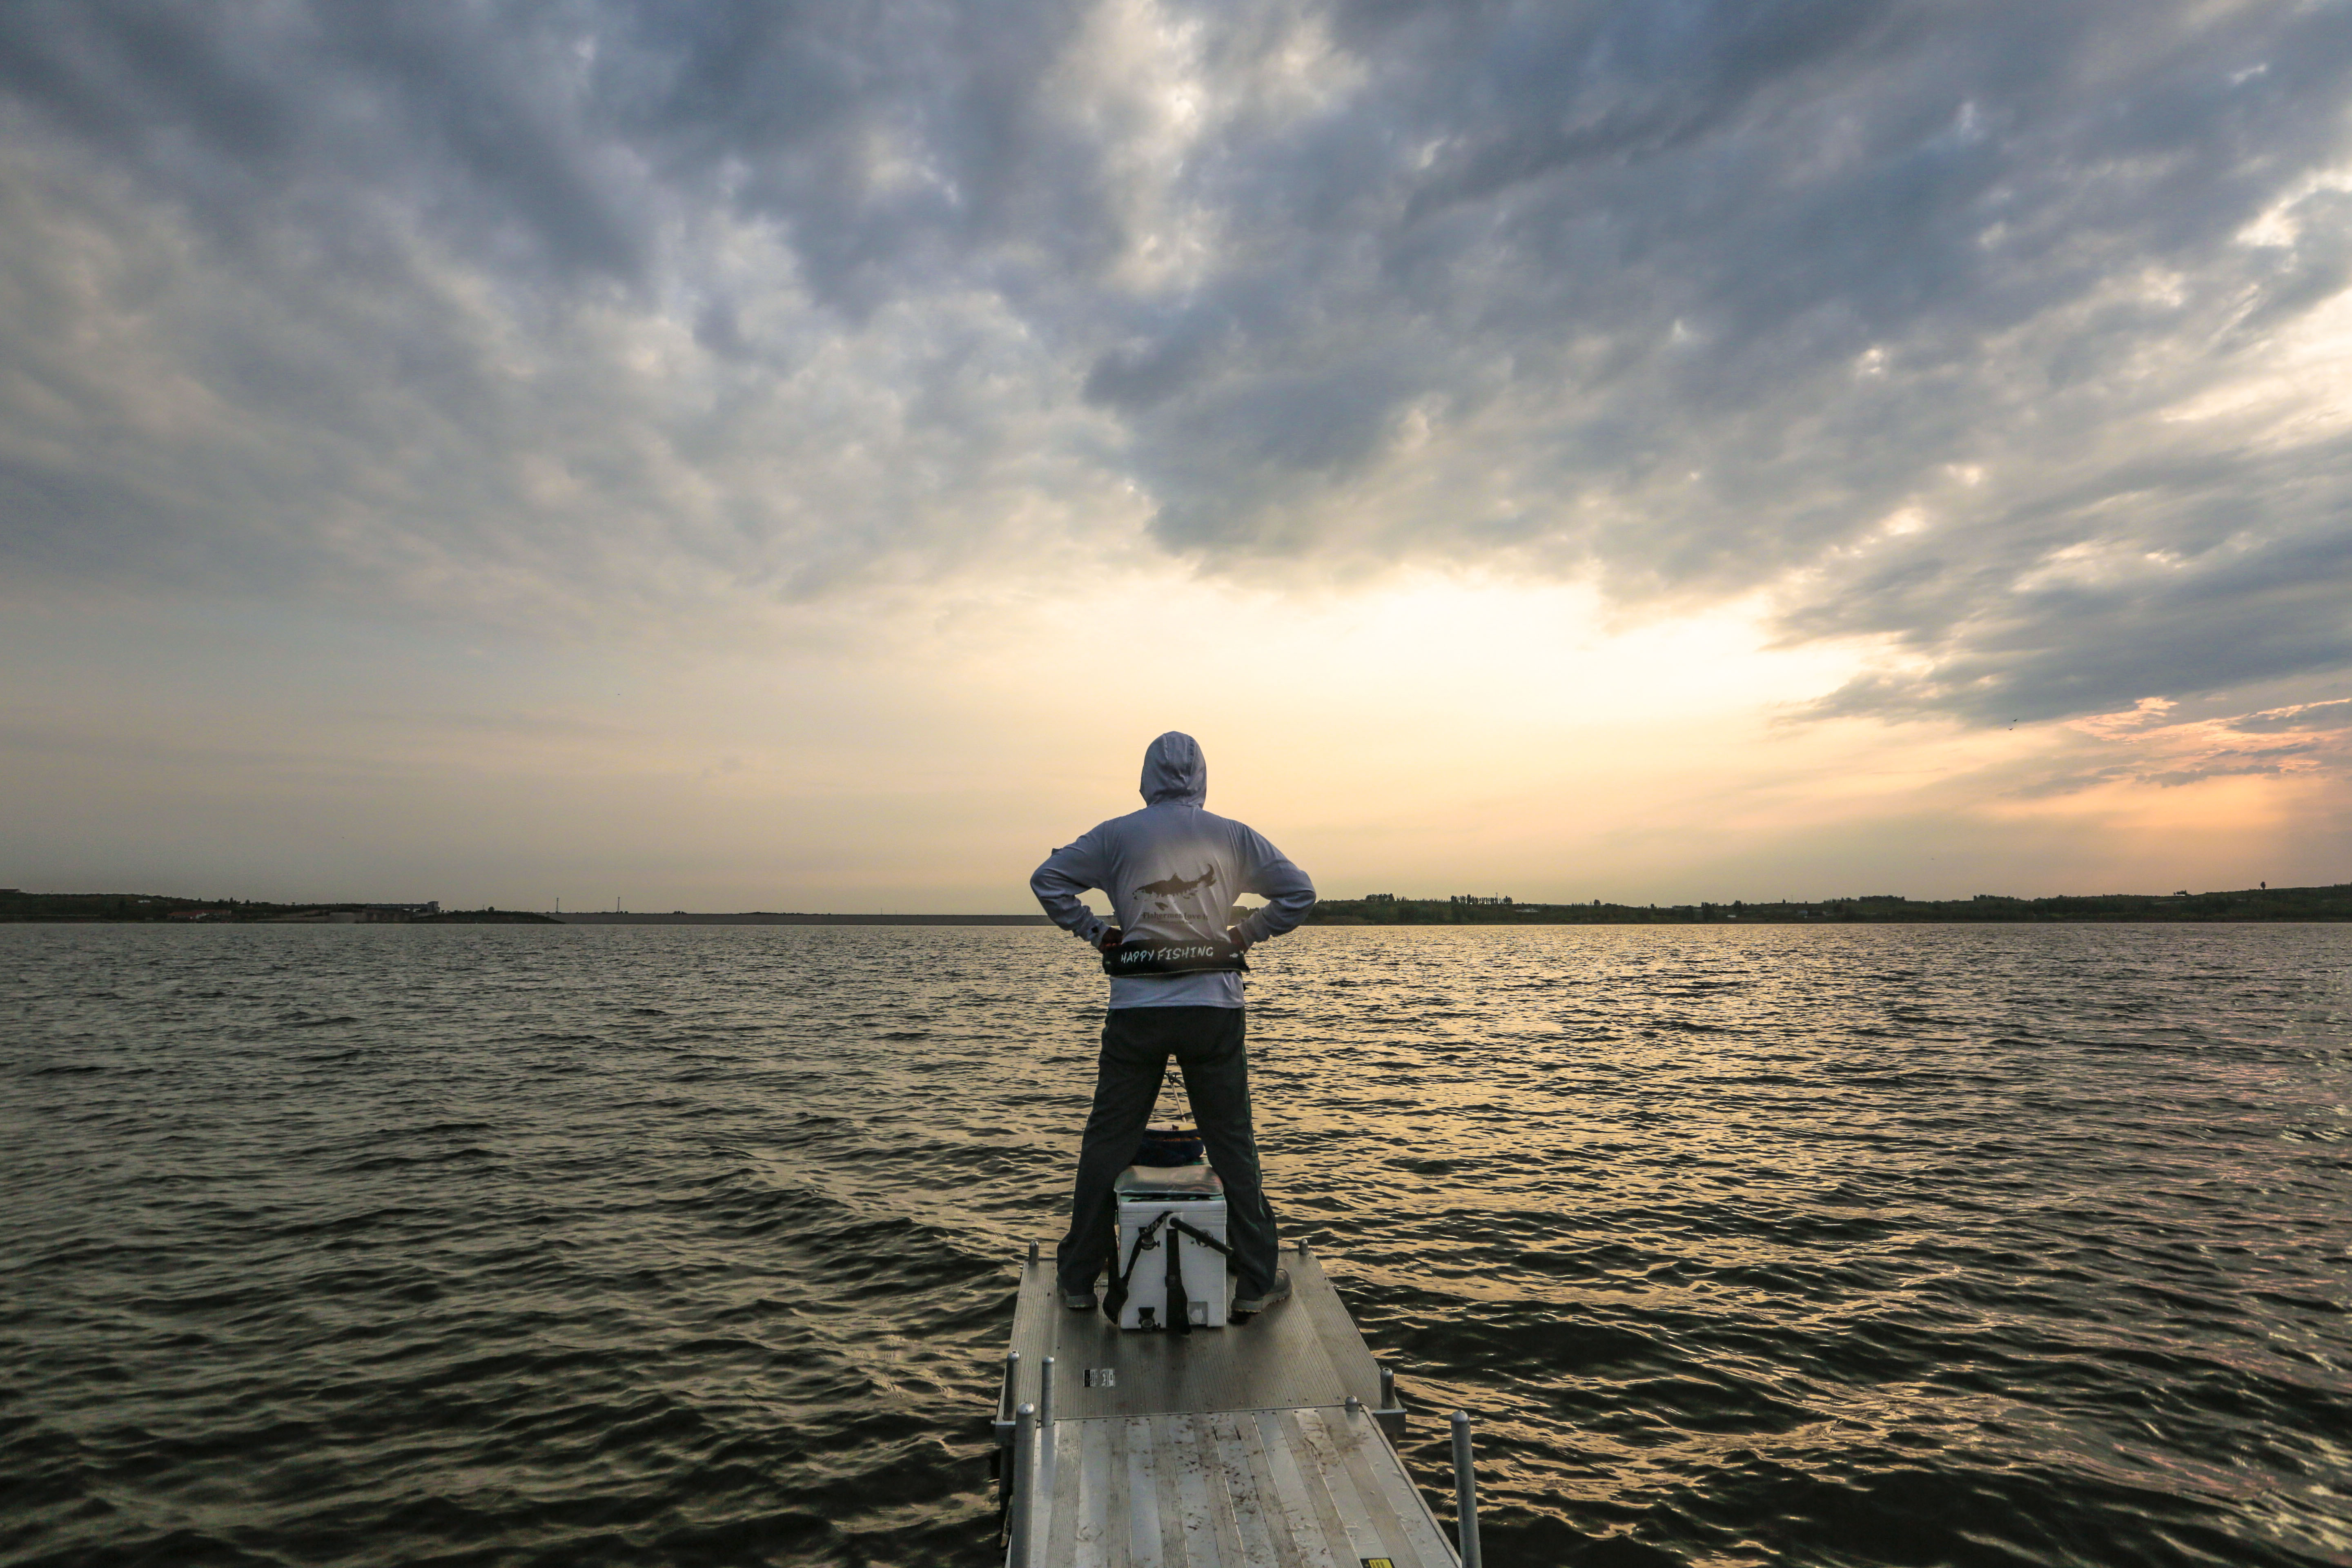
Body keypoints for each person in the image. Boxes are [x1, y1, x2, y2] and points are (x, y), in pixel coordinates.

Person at [1030, 731, 1316, 1317]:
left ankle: (1081, 1279)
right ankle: (1257, 1281)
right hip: (1213, 1008)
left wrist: (1095, 930)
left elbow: (1048, 879)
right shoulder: (1232, 835)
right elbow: (1299, 894)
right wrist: (1245, 933)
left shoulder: (1115, 835)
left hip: (1137, 1011)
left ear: (1146, 778)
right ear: (1203, 778)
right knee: (1232, 1142)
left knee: (1107, 1143)